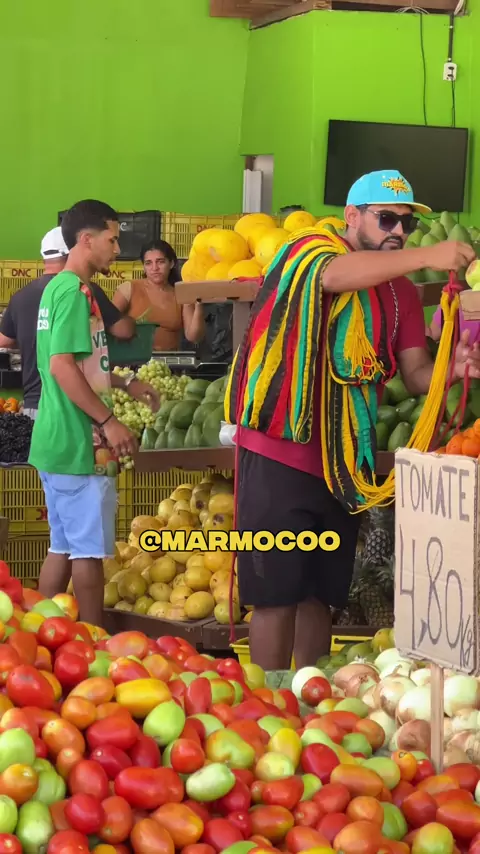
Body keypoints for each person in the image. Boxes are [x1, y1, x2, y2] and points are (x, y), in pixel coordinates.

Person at [226, 169, 480, 671]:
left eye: (407, 224)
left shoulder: (401, 294)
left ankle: (311, 695)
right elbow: (330, 276)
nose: (398, 232)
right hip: (280, 453)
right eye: (387, 219)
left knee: (321, 597)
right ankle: (268, 700)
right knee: (275, 596)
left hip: (343, 465)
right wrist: (428, 255)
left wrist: (452, 368)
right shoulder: (308, 252)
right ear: (351, 216)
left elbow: (415, 374)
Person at [28, 200, 159, 627]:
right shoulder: (73, 293)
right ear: (86, 240)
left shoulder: (58, 288)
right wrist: (109, 421)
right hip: (81, 444)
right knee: (87, 552)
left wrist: (125, 383)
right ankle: (92, 638)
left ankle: (42, 630)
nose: (117, 249)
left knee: (62, 546)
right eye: (112, 239)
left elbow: (82, 365)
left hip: (56, 440)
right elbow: (62, 366)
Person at [0, 227, 136, 420]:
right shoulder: (83, 290)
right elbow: (123, 330)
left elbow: (4, 341)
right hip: (73, 406)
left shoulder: (20, 297)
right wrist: (133, 319)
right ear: (72, 252)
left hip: (34, 406)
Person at [112, 239, 205, 351]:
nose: (155, 268)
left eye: (160, 262)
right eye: (148, 263)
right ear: (144, 267)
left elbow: (193, 337)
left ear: (171, 263)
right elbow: (108, 323)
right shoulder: (129, 289)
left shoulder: (181, 294)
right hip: (134, 359)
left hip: (169, 360)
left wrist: (199, 305)